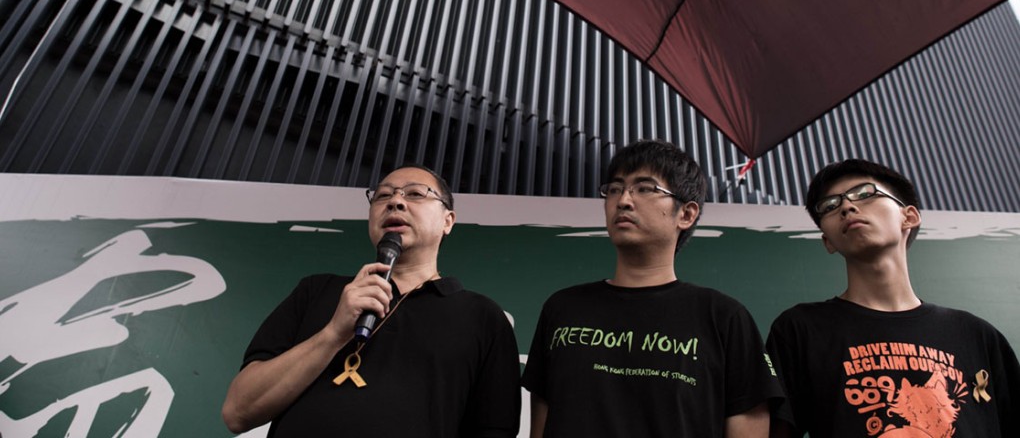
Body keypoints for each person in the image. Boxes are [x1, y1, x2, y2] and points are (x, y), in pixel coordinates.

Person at [222, 165, 521, 437]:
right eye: (382, 196)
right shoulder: (316, 291)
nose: (395, 202)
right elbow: (238, 412)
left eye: (415, 194)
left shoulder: (483, 318)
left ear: (448, 221)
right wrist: (333, 333)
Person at [522, 140, 782, 437]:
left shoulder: (724, 318)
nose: (624, 200)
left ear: (686, 214)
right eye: (615, 189)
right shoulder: (563, 308)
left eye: (645, 188)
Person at [767, 158, 1020, 437]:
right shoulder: (801, 329)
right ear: (827, 241)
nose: (847, 207)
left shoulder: (978, 336)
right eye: (830, 206)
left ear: (909, 216)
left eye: (865, 193)